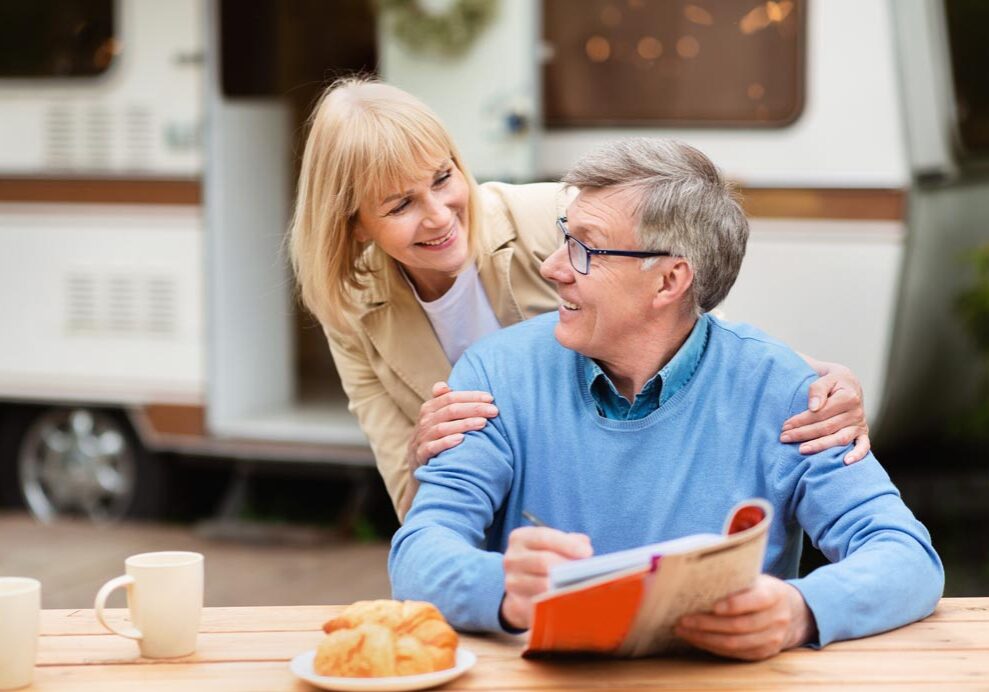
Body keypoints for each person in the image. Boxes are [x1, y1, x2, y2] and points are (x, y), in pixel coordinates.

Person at [389, 138, 943, 660]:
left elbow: (905, 555)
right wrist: (503, 589)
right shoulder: (494, 375)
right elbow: (419, 551)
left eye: (584, 249)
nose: (553, 267)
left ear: (669, 281)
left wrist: (803, 611)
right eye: (565, 236)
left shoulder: (787, 392)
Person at [289, 77, 871, 521]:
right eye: (399, 205)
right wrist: (424, 454)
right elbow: (413, 499)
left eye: (442, 179)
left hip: (622, 494)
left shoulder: (558, 219)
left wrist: (807, 381)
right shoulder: (351, 306)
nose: (440, 216)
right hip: (511, 534)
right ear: (355, 225)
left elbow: (681, 308)